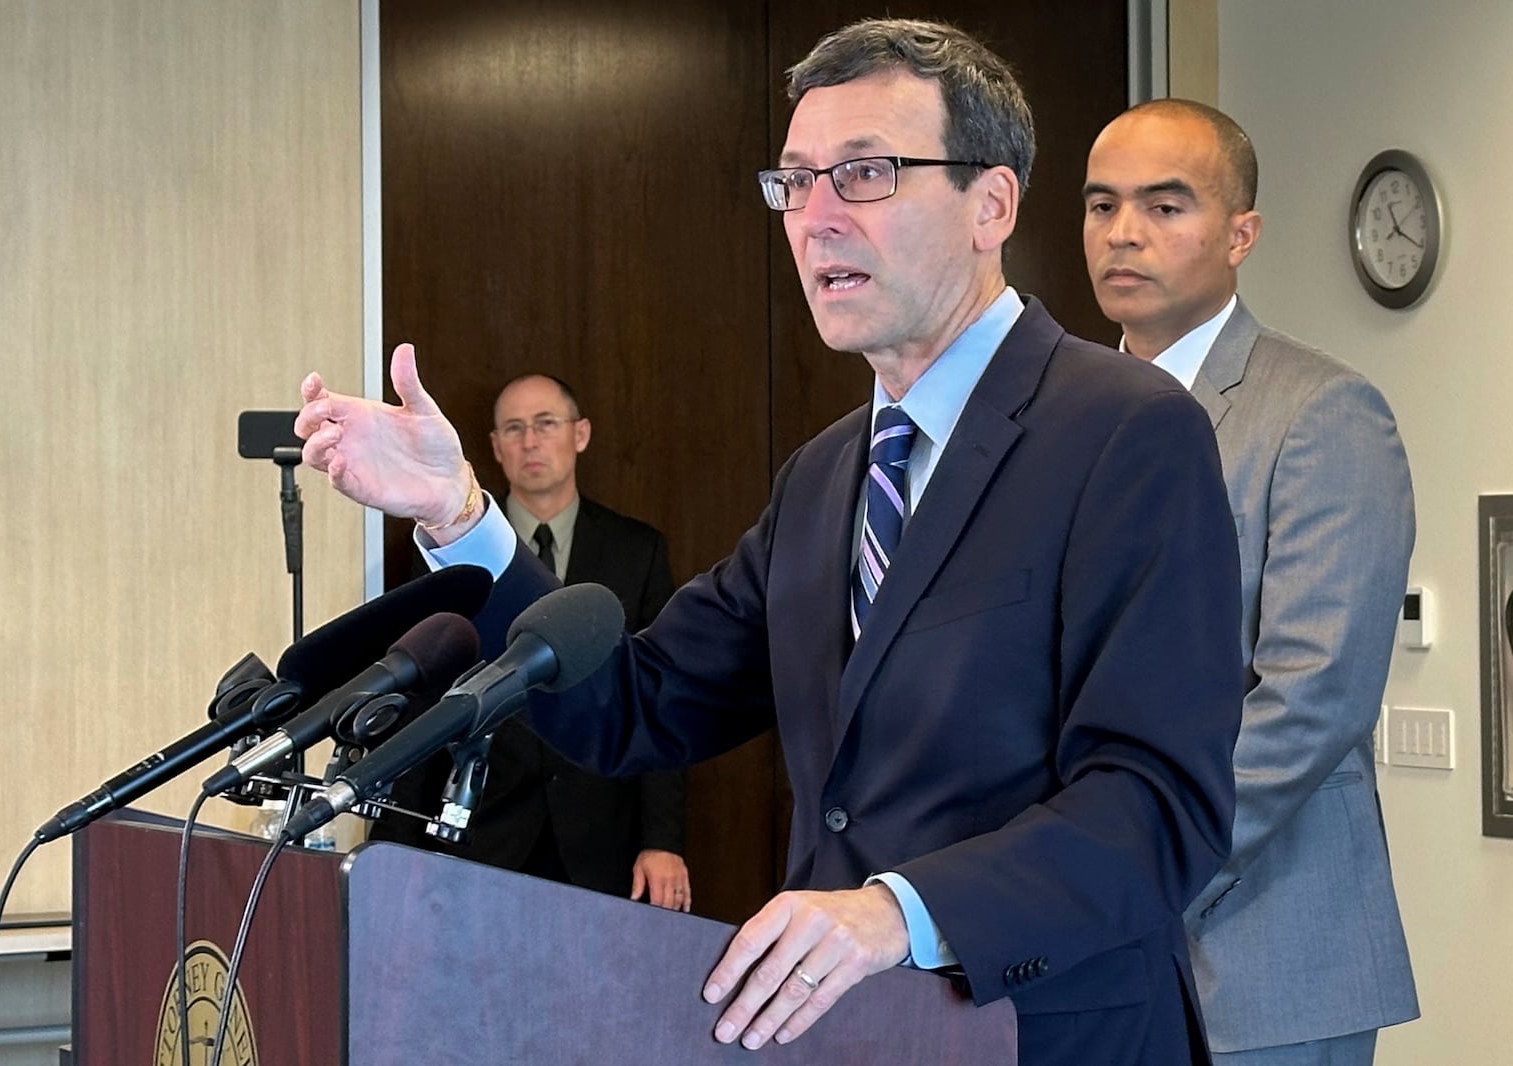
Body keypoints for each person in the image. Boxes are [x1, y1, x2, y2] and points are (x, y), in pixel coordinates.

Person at [297, 18, 1243, 1064]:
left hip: (1050, 1034)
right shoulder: (826, 474)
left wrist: (895, 911)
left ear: (993, 204)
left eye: (864, 174)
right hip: (849, 1037)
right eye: (794, 182)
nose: (816, 219)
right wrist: (455, 514)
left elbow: (1157, 806)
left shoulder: (1126, 431)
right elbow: (633, 704)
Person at [1081, 98, 1419, 1065]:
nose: (1124, 233)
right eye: (1102, 206)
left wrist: (1135, 866)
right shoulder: (1063, 420)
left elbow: (1315, 696)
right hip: (1078, 944)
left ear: (1242, 234)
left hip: (1260, 947)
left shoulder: (1322, 412)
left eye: (1165, 206)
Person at [388, 372, 691, 910]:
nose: (531, 441)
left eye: (546, 424)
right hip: (482, 829)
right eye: (515, 428)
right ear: (495, 448)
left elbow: (659, 691)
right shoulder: (447, 549)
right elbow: (422, 699)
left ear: (580, 434)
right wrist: (397, 843)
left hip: (603, 834)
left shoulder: (637, 550)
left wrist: (661, 840)